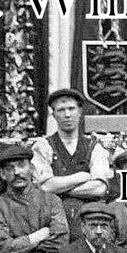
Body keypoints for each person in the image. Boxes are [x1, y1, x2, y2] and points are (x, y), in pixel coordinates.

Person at [31, 89, 110, 223]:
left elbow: (99, 188)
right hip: (53, 217)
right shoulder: (43, 146)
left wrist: (60, 188)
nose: (67, 114)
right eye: (61, 110)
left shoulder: (94, 146)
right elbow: (44, 187)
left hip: (90, 217)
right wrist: (82, 176)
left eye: (71, 109)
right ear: (54, 115)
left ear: (79, 112)